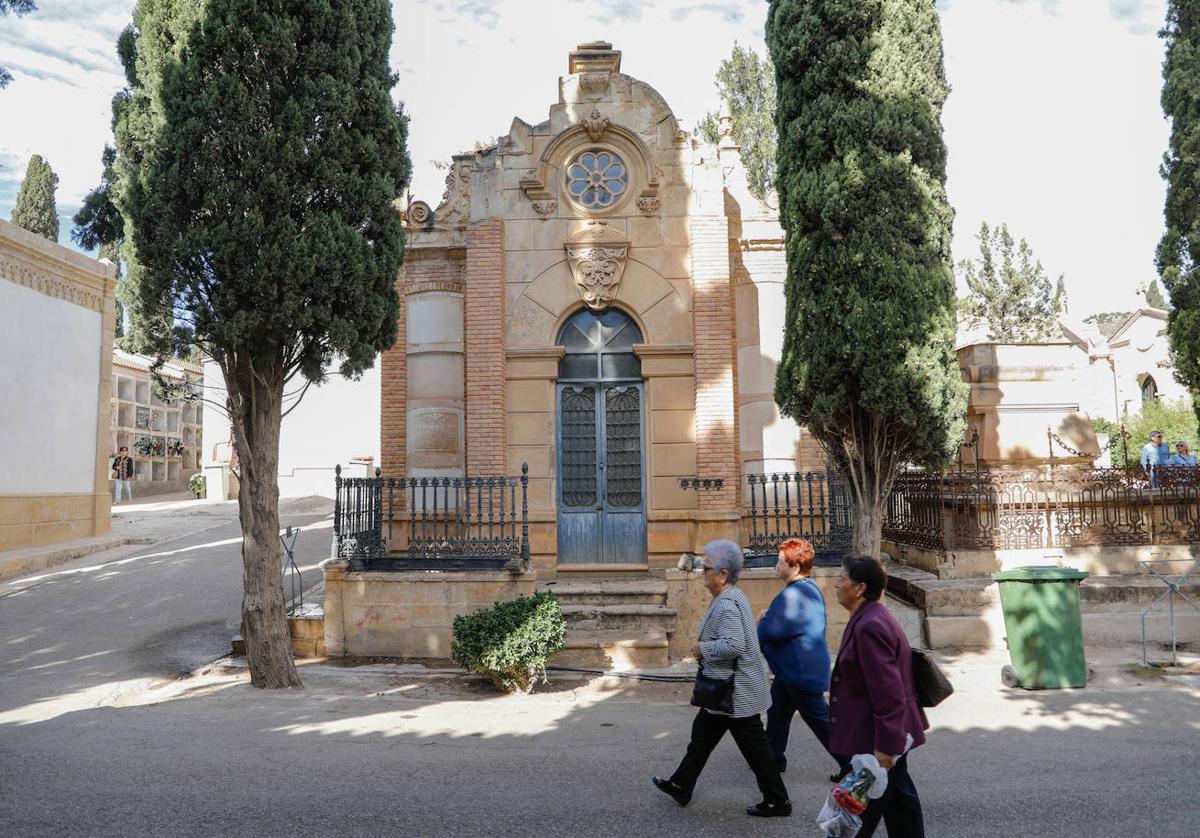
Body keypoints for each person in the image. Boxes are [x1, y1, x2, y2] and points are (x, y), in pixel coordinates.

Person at [653, 539, 792, 817]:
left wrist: (703, 649)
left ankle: (778, 801)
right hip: (727, 689)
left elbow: (734, 645)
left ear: (722, 574)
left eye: (705, 568)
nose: (701, 573)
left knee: (755, 748)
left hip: (734, 690)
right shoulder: (732, 595)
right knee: (702, 735)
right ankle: (681, 784)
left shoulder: (727, 604)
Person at [830, 555, 928, 838]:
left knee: (855, 813)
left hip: (877, 739)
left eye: (842, 578)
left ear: (859, 588)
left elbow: (888, 691)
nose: (836, 583)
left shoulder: (870, 625)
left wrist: (887, 746)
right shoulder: (869, 616)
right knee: (900, 804)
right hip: (889, 734)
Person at [757, 537, 846, 780]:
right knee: (777, 715)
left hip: (799, 673)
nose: (776, 565)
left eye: (780, 562)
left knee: (821, 722)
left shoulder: (794, 595)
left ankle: (852, 764)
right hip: (792, 671)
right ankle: (772, 759)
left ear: (795, 567)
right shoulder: (807, 589)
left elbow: (772, 631)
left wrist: (763, 619)